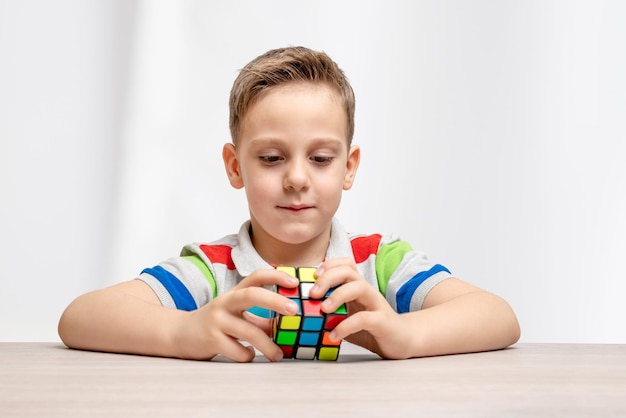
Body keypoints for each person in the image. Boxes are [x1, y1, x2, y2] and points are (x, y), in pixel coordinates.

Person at [58, 46, 520, 362]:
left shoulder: (377, 262)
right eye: (272, 158)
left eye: (320, 158)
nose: (297, 178)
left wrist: (403, 335)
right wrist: (185, 331)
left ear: (349, 167)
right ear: (235, 166)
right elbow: (78, 318)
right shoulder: (213, 271)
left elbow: (499, 316)